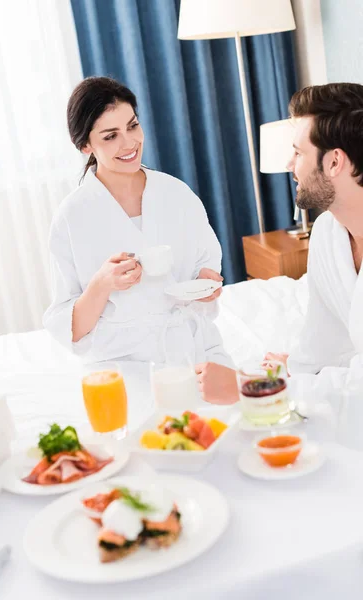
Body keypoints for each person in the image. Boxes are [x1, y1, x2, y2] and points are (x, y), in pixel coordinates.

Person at [43, 76, 232, 368]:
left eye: (132, 125)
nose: (129, 142)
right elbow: (72, 330)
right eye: (110, 136)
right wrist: (102, 283)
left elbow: (206, 270)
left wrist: (206, 288)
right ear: (84, 146)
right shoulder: (73, 216)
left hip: (193, 346)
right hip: (120, 361)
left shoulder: (176, 194)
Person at [198, 82, 363, 402]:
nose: (290, 166)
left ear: (334, 162)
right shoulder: (329, 232)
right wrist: (300, 371)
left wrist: (251, 388)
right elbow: (325, 335)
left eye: (299, 152)